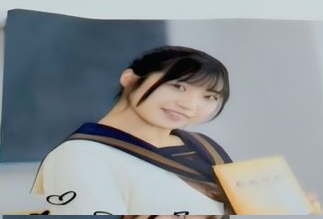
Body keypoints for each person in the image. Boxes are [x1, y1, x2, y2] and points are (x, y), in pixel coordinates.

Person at [31, 45, 233, 216]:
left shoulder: (205, 147)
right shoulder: (81, 155)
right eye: (178, 86)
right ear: (130, 80)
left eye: (210, 97)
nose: (189, 105)